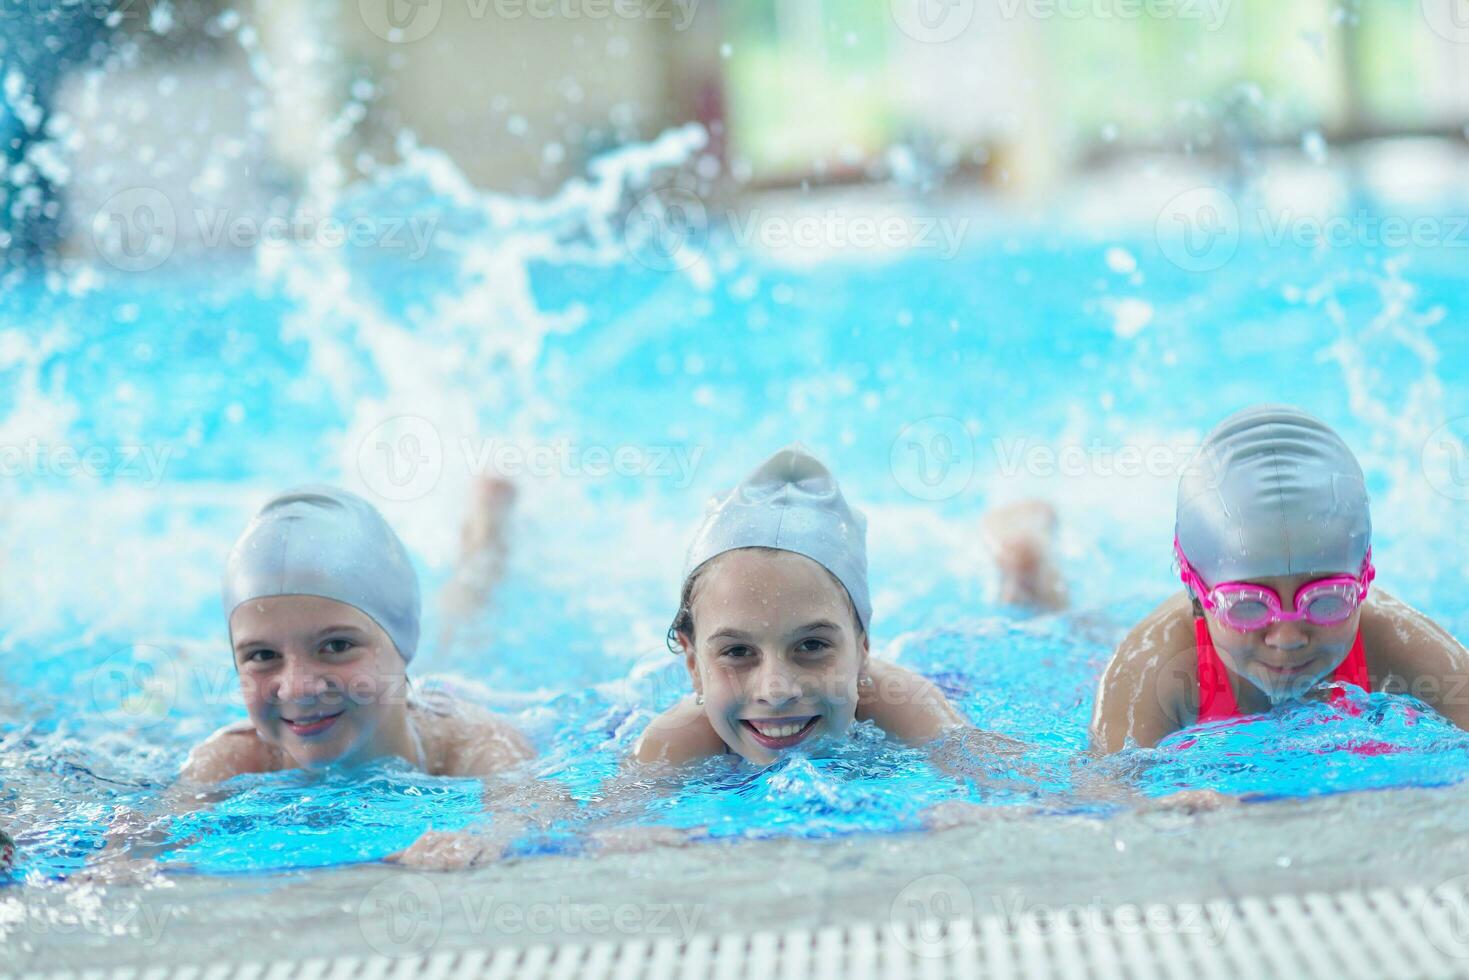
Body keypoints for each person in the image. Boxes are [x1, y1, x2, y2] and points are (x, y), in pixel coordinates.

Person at [1091, 405, 1469, 754]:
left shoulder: (1398, 644)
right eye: (1248, 606)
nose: (1288, 639)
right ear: (1196, 595)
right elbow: (1101, 798)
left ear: (1363, 581)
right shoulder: (1153, 663)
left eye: (1325, 600)